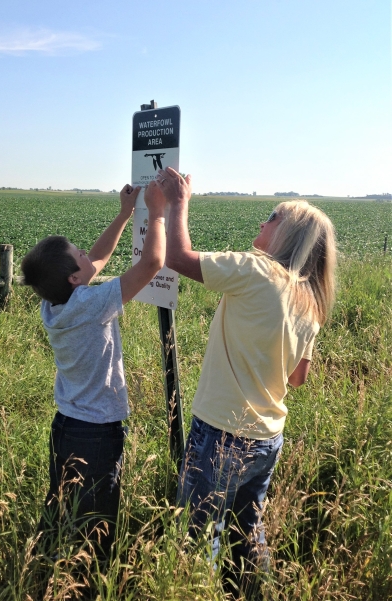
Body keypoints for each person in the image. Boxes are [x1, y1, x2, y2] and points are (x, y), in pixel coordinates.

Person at [157, 167, 337, 594]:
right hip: (267, 438)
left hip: (221, 431)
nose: (263, 222)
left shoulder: (257, 271)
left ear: (288, 235)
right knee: (246, 532)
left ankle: (193, 590)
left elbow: (178, 258)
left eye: (272, 217)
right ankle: (255, 591)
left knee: (196, 538)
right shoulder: (310, 300)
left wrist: (179, 202)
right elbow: (298, 379)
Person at [21, 182, 166, 562]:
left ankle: (44, 565)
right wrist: (159, 212)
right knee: (98, 514)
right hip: (97, 430)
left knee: (60, 500)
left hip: (66, 422)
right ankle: (91, 577)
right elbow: (150, 265)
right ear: (73, 277)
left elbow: (96, 261)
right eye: (79, 253)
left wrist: (125, 214)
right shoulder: (92, 302)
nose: (88, 254)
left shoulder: (54, 304)